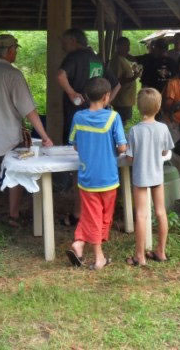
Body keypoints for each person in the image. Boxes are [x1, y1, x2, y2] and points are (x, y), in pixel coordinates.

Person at [0, 34, 53, 226]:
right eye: (16, 50)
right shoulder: (13, 74)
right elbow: (29, 110)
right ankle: (13, 215)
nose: (16, 53)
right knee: (16, 174)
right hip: (8, 135)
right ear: (10, 51)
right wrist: (44, 136)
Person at [56, 28, 120, 225]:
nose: (62, 46)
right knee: (101, 160)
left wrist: (71, 93)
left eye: (64, 42)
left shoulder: (74, 56)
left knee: (78, 162)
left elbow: (60, 75)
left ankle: (79, 212)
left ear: (74, 41)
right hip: (101, 118)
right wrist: (107, 105)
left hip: (79, 118)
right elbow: (116, 84)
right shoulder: (97, 58)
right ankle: (100, 214)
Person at [65, 78, 127, 270]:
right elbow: (122, 147)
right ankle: (99, 257)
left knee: (91, 214)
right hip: (108, 178)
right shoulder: (113, 117)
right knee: (102, 217)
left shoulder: (78, 117)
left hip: (86, 178)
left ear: (85, 97)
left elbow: (74, 144)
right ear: (107, 96)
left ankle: (80, 243)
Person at [125, 88, 173, 266]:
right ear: (159, 107)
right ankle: (160, 251)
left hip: (140, 177)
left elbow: (130, 158)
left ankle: (140, 256)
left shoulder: (135, 131)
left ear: (138, 107)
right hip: (157, 177)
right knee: (161, 212)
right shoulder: (163, 128)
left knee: (141, 215)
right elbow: (165, 151)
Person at [108, 37, 140, 126]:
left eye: (128, 46)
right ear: (119, 46)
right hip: (122, 100)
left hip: (125, 99)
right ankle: (118, 139)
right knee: (121, 123)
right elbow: (116, 81)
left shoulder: (122, 59)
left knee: (123, 122)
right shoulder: (117, 60)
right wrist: (134, 78)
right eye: (126, 46)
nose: (128, 48)